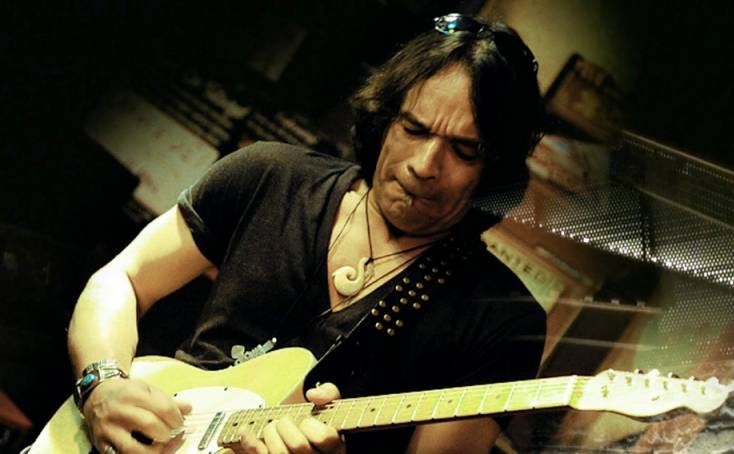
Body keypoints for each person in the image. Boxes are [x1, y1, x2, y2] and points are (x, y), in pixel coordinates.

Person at [66, 13, 547, 454]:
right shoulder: (270, 175)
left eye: (464, 151)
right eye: (414, 129)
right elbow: (122, 279)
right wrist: (101, 383)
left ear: (495, 171)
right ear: (386, 120)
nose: (424, 165)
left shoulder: (501, 318)